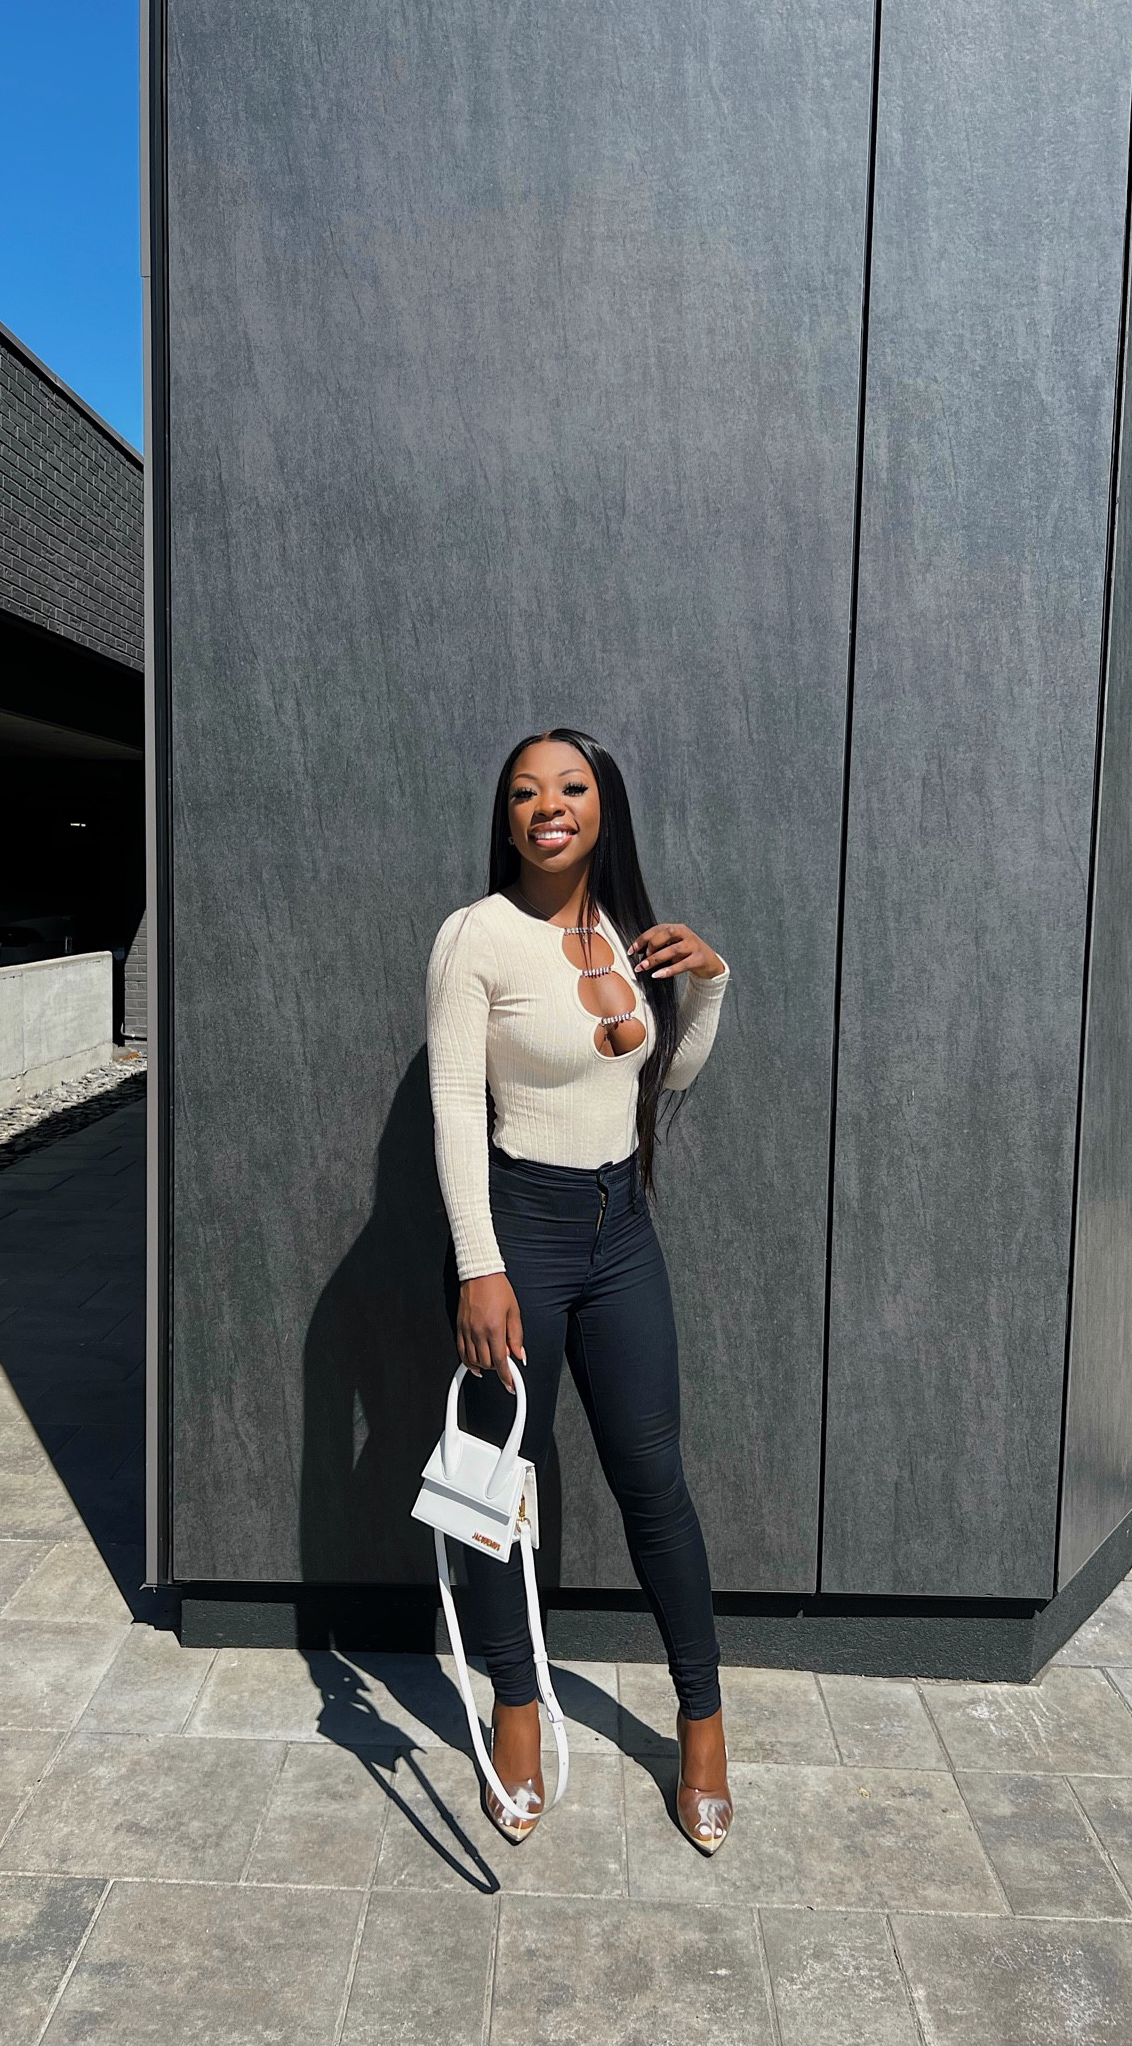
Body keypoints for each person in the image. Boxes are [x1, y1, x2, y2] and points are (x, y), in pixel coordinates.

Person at [426, 727, 733, 1853]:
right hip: (519, 1229)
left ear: (604, 805)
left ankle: (701, 1724)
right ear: (505, 815)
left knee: (655, 1479)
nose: (547, 805)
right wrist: (478, 1262)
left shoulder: (624, 930)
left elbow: (668, 1078)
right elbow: (457, 1106)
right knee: (490, 1477)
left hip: (621, 1231)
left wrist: (707, 984)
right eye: (524, 791)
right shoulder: (476, 937)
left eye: (570, 786)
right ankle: (514, 1705)